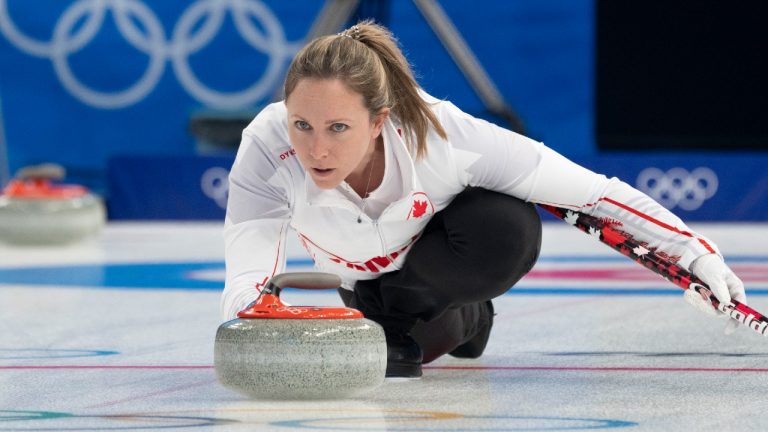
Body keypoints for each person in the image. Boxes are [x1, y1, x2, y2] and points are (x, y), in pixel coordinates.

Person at [221, 20, 747, 378]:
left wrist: (694, 253)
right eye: (302, 124)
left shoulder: (445, 136)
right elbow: (250, 262)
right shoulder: (267, 147)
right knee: (394, 339)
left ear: (379, 121)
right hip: (359, 287)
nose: (316, 147)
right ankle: (414, 323)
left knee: (507, 227)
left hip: (434, 267)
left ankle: (471, 317)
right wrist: (254, 324)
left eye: (339, 127)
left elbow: (594, 197)